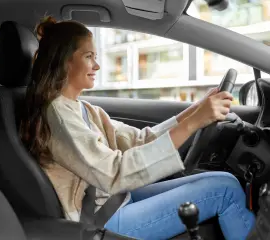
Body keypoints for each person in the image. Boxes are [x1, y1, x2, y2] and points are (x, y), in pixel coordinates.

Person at [20, 16, 255, 240]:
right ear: (64, 60)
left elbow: (142, 139)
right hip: (99, 219)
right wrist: (195, 122)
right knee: (223, 190)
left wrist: (196, 110)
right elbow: (114, 173)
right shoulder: (57, 115)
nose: (98, 65)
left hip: (114, 201)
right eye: (89, 56)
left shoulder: (85, 110)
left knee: (226, 180)